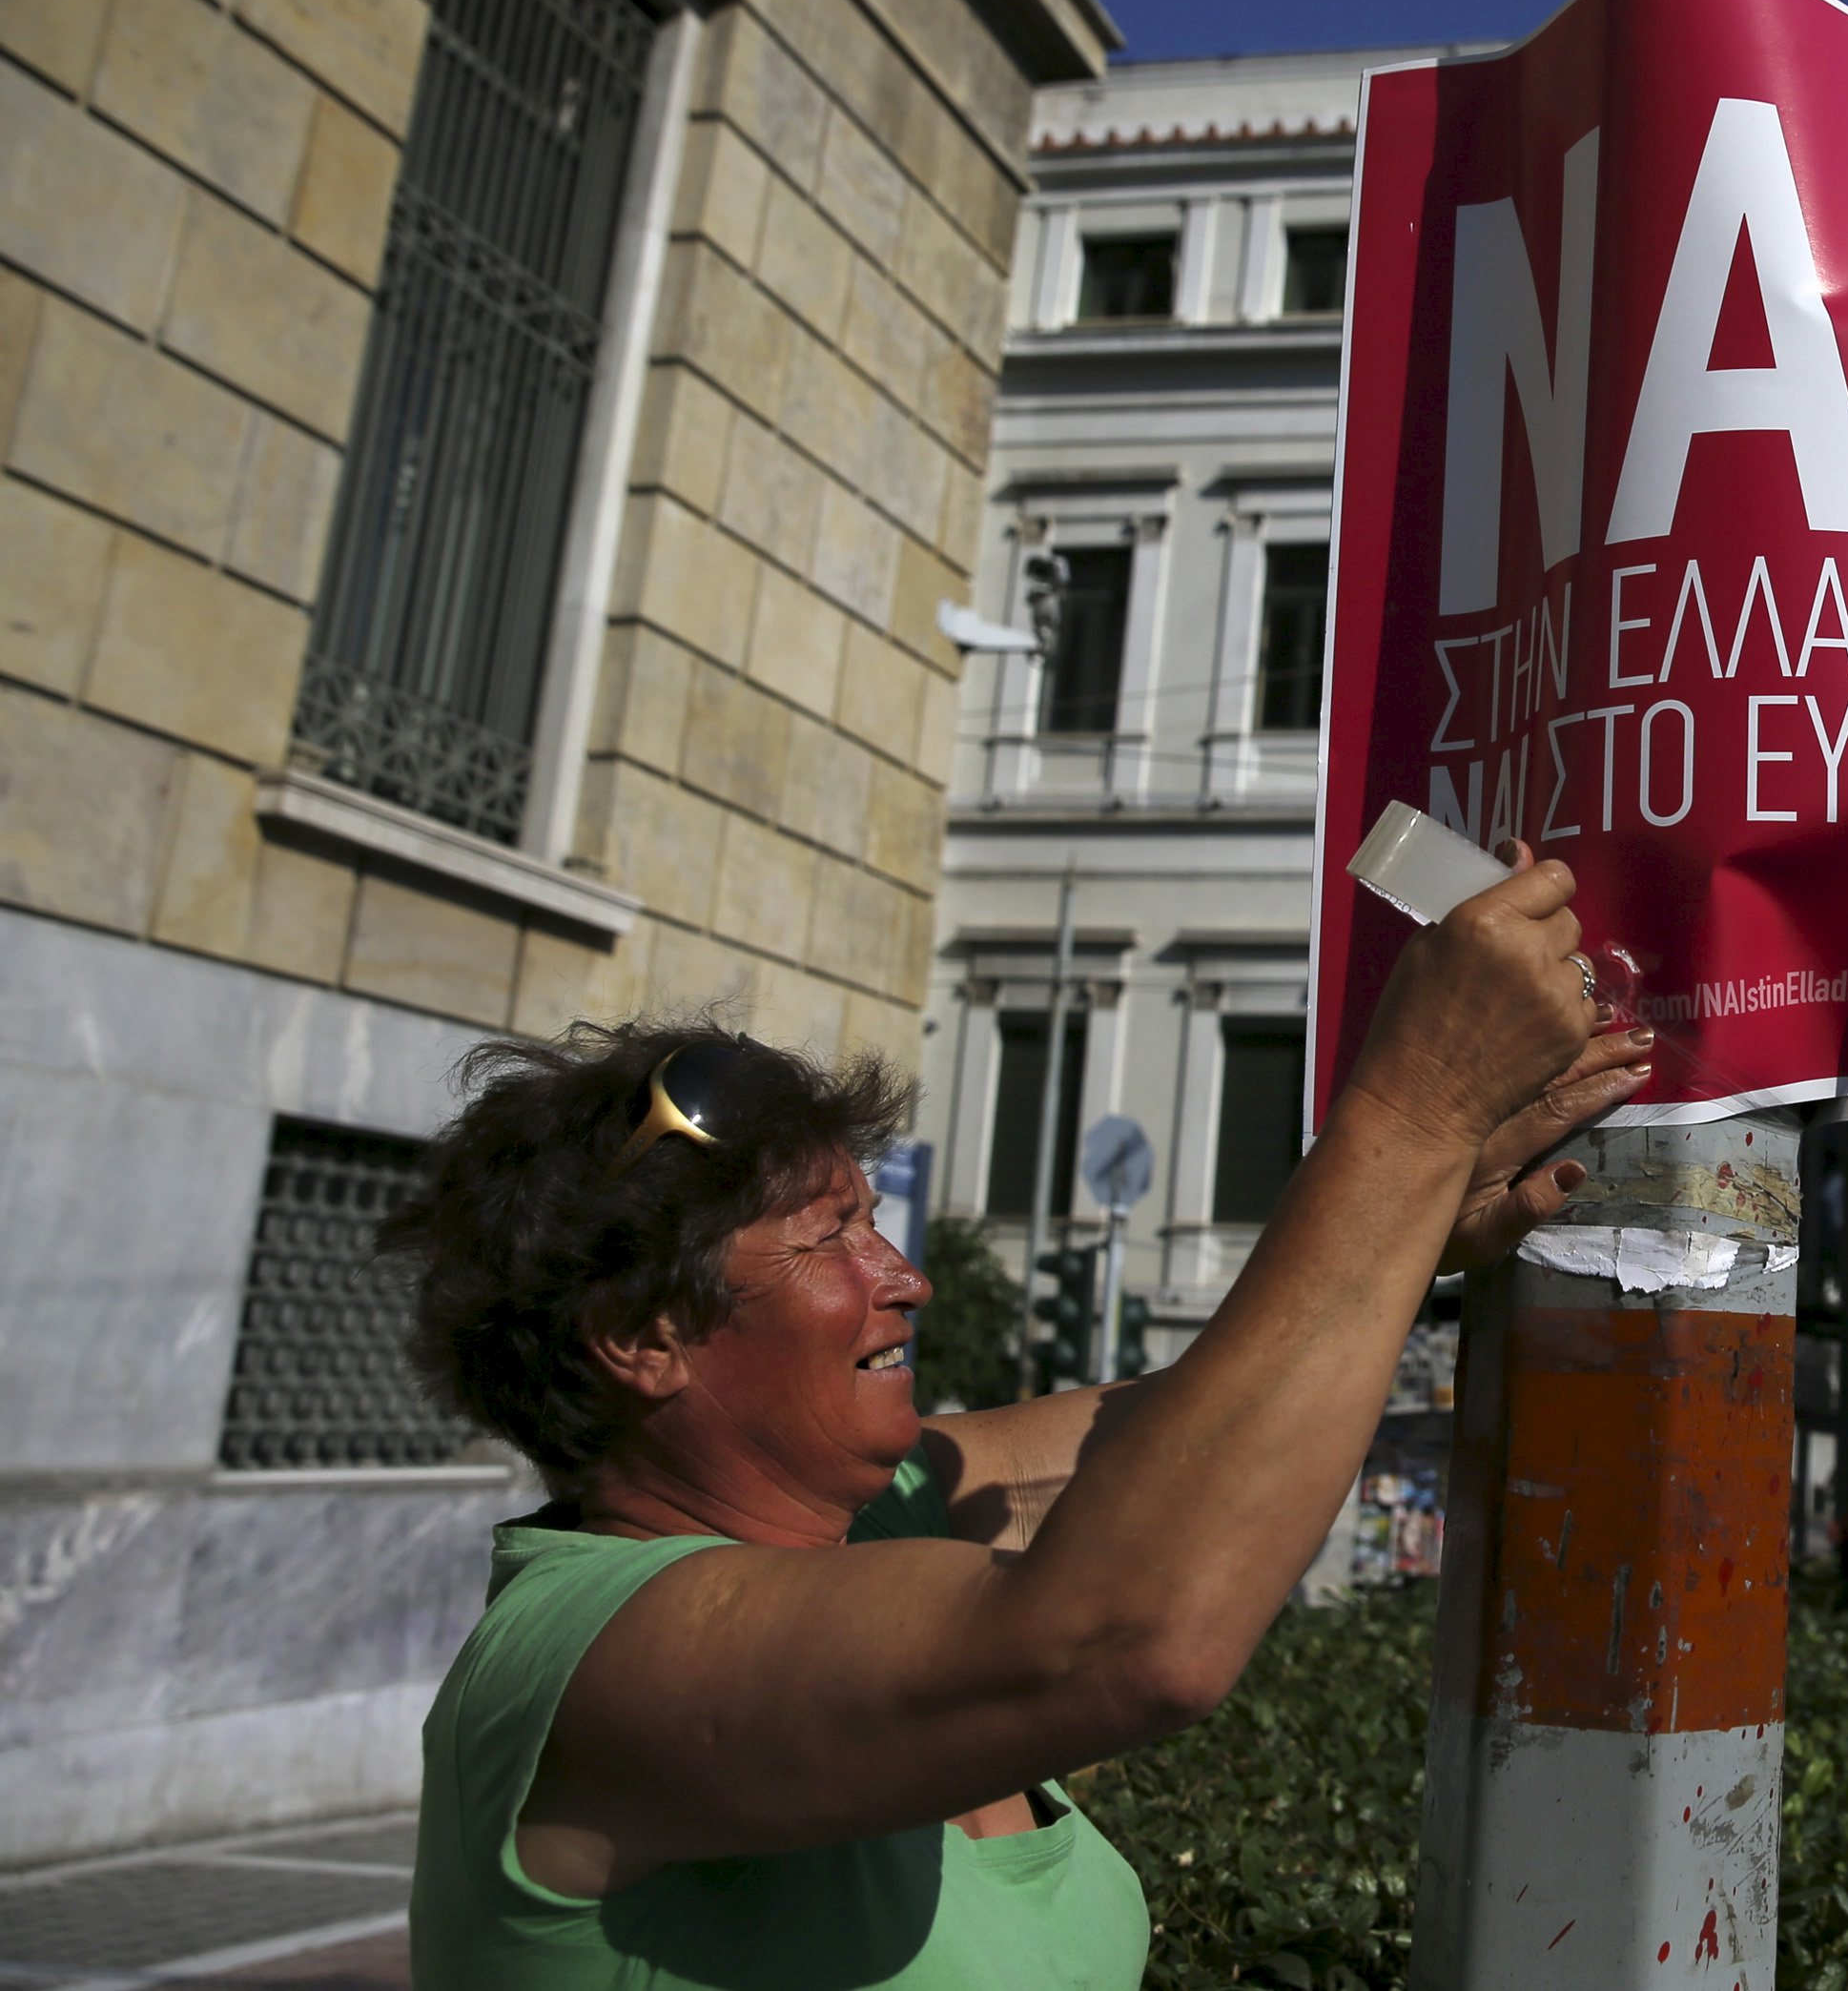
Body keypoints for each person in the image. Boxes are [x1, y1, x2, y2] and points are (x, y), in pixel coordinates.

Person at [389, 849, 1643, 1987]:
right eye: (830, 1233)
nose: (905, 1274)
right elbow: (1128, 1631)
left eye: (872, 1217)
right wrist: (1410, 1114)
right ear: (642, 1334)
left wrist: (1408, 1220)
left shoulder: (872, 1518)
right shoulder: (589, 1655)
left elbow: (1179, 1436)